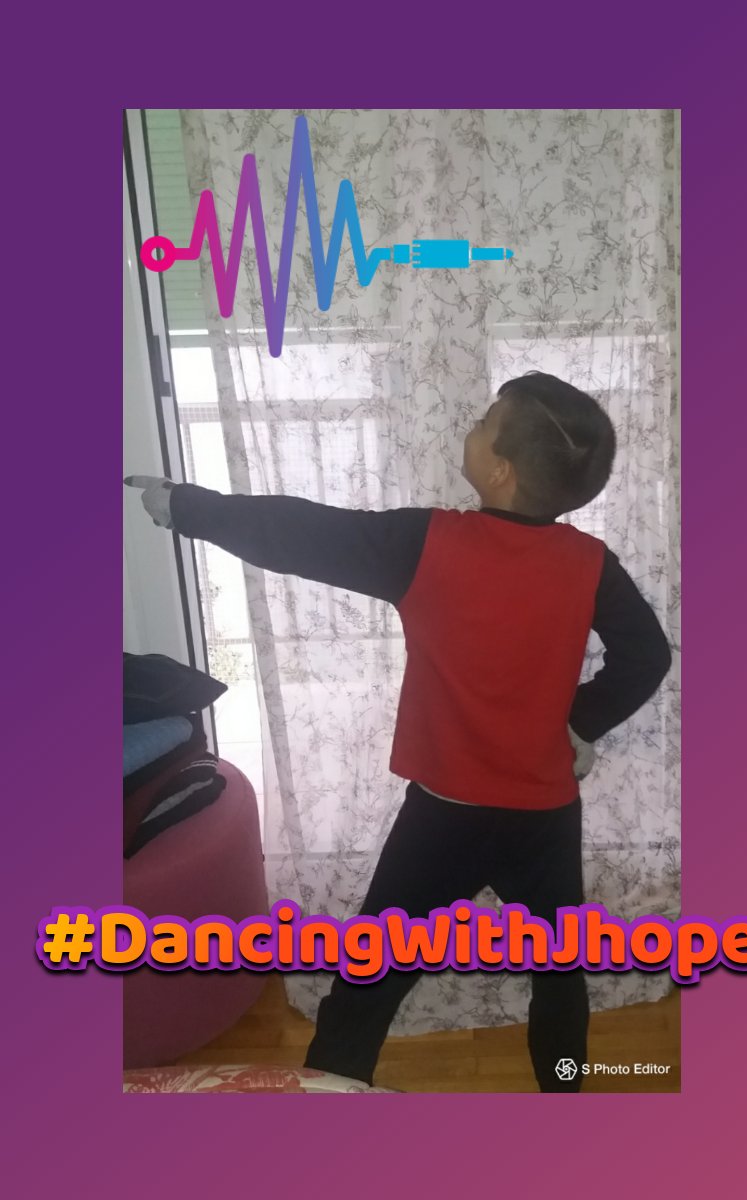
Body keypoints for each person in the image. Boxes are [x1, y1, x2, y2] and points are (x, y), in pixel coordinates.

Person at [125, 370, 672, 1092]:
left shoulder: (428, 542)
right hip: (542, 820)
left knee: (370, 976)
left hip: (445, 819)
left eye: (484, 423)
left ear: (500, 471)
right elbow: (647, 656)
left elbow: (303, 534)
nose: (472, 427)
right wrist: (582, 720)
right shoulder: (590, 563)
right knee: (558, 977)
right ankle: (566, 1101)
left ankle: (325, 1107)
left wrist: (187, 507)